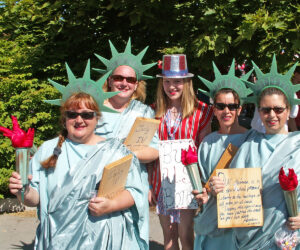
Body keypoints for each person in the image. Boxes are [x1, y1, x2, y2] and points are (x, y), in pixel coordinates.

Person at [7, 61, 149, 249]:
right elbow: (34, 199)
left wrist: (110, 205)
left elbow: (135, 193)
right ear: (64, 118)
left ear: (97, 118)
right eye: (72, 114)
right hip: (58, 241)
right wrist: (22, 192)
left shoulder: (116, 152)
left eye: (87, 115)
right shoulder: (48, 150)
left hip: (104, 241)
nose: (79, 120)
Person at [228, 55, 300, 249]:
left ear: (288, 110)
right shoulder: (248, 146)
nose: (272, 115)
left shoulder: (299, 145)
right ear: (259, 112)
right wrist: (221, 187)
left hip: (287, 237)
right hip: (251, 236)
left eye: (278, 109)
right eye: (266, 110)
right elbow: (232, 191)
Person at [93, 38, 159, 246]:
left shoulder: (144, 112)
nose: (124, 83)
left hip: (132, 185)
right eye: (119, 77)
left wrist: (124, 150)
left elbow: (154, 151)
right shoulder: (92, 110)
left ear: (137, 84)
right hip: (96, 183)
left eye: (130, 80)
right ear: (110, 80)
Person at [150, 54, 213, 250]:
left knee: (186, 234)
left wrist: (202, 184)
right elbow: (146, 152)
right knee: (169, 235)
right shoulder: (152, 112)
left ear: (186, 83)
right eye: (167, 81)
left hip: (187, 182)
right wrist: (148, 185)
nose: (172, 87)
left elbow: (204, 151)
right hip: (160, 181)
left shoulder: (201, 112)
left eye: (177, 81)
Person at [193, 59, 254, 250]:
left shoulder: (251, 140)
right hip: (213, 220)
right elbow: (203, 182)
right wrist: (203, 193)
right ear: (214, 109)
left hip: (241, 219)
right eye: (221, 106)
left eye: (232, 106)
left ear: (240, 109)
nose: (226, 111)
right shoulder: (208, 142)